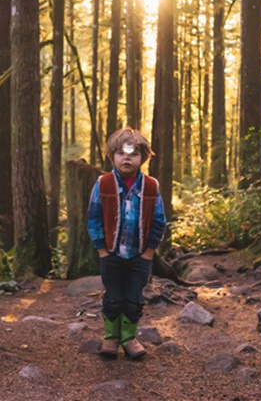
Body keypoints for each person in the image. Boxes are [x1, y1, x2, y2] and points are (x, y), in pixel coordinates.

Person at [87, 127, 167, 359]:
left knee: (134, 298)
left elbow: (160, 221)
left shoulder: (151, 186)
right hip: (110, 254)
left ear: (142, 157)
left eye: (133, 154)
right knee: (113, 296)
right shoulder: (103, 184)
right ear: (112, 156)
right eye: (121, 153)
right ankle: (111, 337)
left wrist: (149, 252)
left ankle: (129, 338)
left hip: (139, 255)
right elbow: (93, 218)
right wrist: (101, 249)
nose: (127, 158)